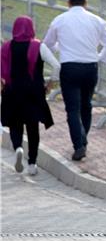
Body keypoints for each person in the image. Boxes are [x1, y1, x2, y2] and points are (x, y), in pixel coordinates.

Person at [42, 0, 106, 161]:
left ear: (68, 2)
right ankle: (83, 140)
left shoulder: (59, 20)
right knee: (86, 105)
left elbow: (47, 44)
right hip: (90, 67)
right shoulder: (96, 20)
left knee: (72, 109)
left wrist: (61, 49)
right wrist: (99, 59)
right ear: (86, 2)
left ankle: (79, 145)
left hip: (69, 67)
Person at [1, 16, 60, 175]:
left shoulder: (6, 47)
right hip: (33, 92)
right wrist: (50, 84)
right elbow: (56, 66)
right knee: (32, 127)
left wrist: (3, 85)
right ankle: (32, 163)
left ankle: (18, 148)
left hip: (12, 90)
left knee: (15, 124)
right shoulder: (38, 46)